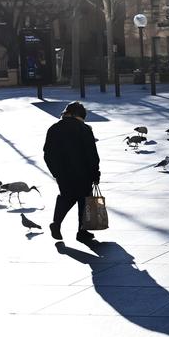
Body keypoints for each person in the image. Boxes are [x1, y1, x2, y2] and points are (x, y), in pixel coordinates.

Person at [43, 102, 100, 241]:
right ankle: (82, 231)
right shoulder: (84, 129)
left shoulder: (54, 128)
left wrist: (56, 172)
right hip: (83, 172)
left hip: (63, 173)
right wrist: (95, 172)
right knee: (84, 201)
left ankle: (56, 224)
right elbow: (91, 154)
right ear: (79, 116)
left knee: (66, 198)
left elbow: (47, 153)